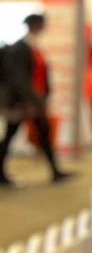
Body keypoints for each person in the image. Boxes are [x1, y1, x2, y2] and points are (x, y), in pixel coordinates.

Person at [1, 13, 73, 187]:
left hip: (33, 100)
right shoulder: (21, 47)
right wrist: (32, 98)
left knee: (42, 132)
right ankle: (54, 172)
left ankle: (55, 171)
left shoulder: (33, 46)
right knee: (16, 134)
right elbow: (19, 77)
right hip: (24, 102)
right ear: (34, 25)